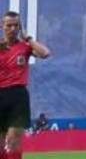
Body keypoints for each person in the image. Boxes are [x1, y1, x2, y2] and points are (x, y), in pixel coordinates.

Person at [0, 11, 50, 159]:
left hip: (18, 96)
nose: (13, 29)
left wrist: (29, 39)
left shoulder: (25, 47)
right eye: (9, 25)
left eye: (16, 25)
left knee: (14, 141)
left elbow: (45, 53)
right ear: (2, 26)